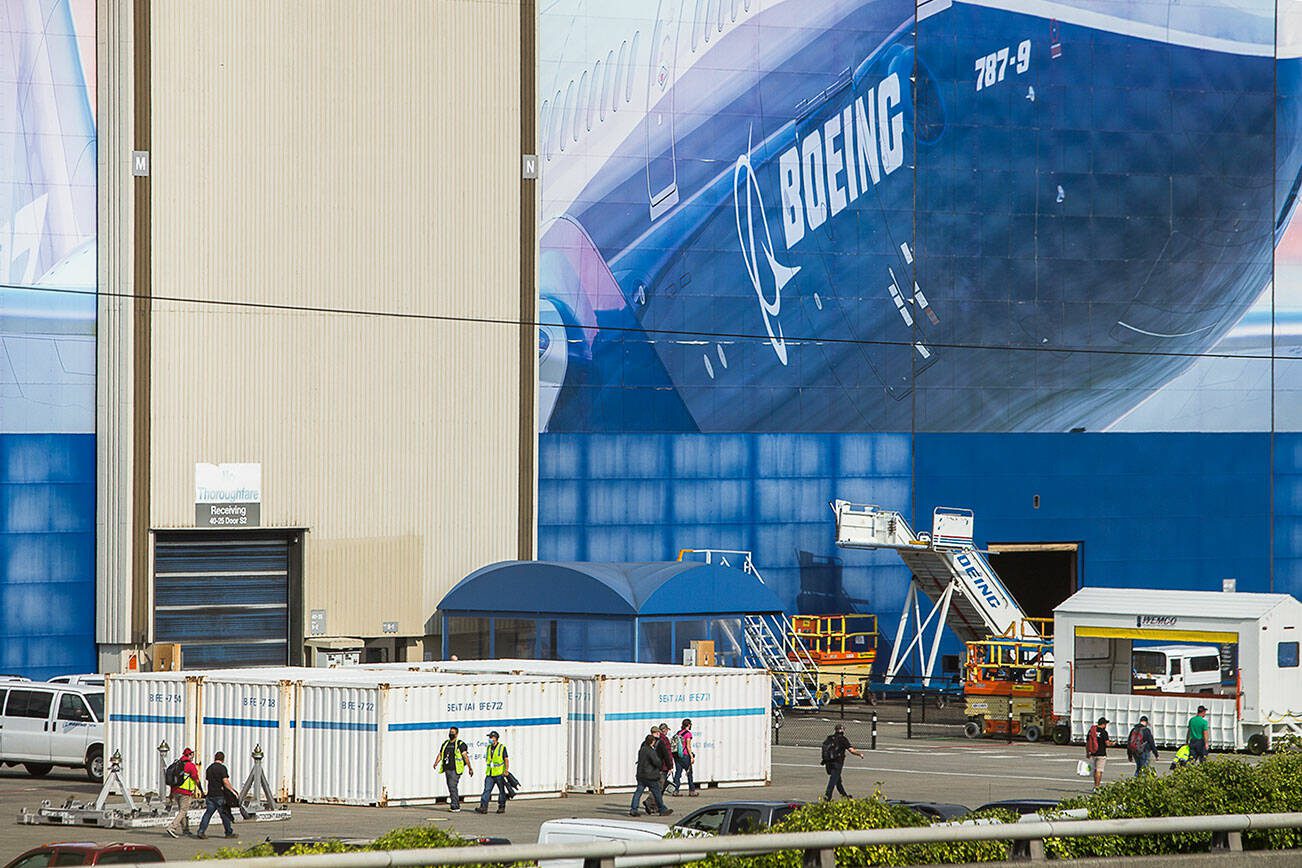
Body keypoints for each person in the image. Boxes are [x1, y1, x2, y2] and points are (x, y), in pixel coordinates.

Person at [196, 750, 237, 839]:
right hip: (220, 795)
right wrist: (232, 791)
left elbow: (208, 780)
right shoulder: (222, 768)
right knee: (224, 814)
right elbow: (225, 782)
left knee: (208, 814)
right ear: (223, 759)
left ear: (215, 758)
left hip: (210, 794)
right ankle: (228, 832)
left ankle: (201, 831)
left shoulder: (209, 768)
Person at [165, 747, 203, 838]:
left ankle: (186, 830)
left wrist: (171, 795)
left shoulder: (177, 764)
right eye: (191, 754)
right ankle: (172, 827)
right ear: (188, 755)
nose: (193, 756)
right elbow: (196, 779)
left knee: (182, 811)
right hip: (185, 792)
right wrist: (201, 790)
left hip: (175, 791)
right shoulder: (190, 766)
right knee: (183, 810)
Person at [630, 733, 671, 817]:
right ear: (652, 742)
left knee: (638, 792)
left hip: (641, 775)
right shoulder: (650, 751)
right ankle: (662, 809)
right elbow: (657, 762)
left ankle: (633, 809)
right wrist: (661, 764)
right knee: (657, 793)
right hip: (650, 776)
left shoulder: (642, 750)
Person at [435, 726, 473, 812]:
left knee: (453, 786)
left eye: (453, 732)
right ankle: (454, 804)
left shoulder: (460, 744)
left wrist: (470, 768)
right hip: (447, 768)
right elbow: (441, 754)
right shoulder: (445, 743)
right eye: (450, 732)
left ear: (456, 734)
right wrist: (436, 762)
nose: (451, 734)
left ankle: (455, 806)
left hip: (456, 769)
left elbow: (465, 756)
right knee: (450, 787)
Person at [820, 723, 862, 801]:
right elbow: (851, 750)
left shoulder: (829, 738)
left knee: (837, 781)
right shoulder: (843, 739)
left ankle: (845, 796)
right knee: (832, 781)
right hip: (837, 763)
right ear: (843, 730)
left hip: (828, 762)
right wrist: (859, 754)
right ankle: (827, 797)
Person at [474, 731, 510, 814]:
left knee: (501, 791)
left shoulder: (502, 748)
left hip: (499, 773)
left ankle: (501, 807)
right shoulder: (489, 748)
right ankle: (483, 807)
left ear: (495, 738)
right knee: (487, 790)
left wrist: (506, 770)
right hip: (490, 773)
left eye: (490, 737)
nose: (489, 739)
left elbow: (506, 760)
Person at [645, 725, 673, 814]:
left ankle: (655, 806)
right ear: (662, 731)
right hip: (662, 767)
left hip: (651, 768)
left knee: (657, 787)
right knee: (658, 787)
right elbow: (667, 754)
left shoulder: (648, 741)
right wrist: (670, 766)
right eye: (666, 730)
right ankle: (651, 803)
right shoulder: (663, 741)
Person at [671, 718, 698, 796]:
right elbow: (688, 746)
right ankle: (692, 791)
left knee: (678, 773)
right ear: (689, 725)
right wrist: (691, 757)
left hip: (677, 755)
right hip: (685, 755)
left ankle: (675, 790)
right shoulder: (688, 734)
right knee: (689, 773)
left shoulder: (678, 733)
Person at [1085, 716, 1110, 790]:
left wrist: (1087, 752)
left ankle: (1095, 785)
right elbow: (1107, 743)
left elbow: (1087, 742)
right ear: (1103, 724)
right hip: (1101, 754)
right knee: (1099, 770)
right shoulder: (1104, 732)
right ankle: (1097, 787)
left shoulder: (1091, 731)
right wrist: (1113, 743)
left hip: (1093, 753)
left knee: (1095, 770)